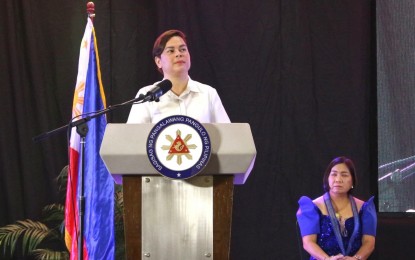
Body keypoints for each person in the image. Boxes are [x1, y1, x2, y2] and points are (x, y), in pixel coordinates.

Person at [127, 29, 230, 124]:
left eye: (183, 49)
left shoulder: (208, 94)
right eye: (171, 51)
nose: (178, 54)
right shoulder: (147, 95)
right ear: (159, 62)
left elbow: (227, 135)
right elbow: (133, 139)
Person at [296, 156, 377, 260]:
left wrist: (356, 258)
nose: (338, 179)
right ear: (327, 178)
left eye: (344, 175)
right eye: (334, 174)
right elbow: (308, 242)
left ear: (352, 181)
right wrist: (327, 259)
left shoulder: (364, 208)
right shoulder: (313, 207)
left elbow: (369, 242)